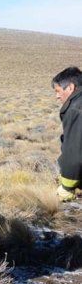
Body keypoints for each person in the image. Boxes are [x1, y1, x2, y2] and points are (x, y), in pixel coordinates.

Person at [52, 66, 82, 202]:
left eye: (58, 91)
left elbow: (75, 151)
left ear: (70, 88)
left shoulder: (76, 109)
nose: (56, 96)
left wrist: (67, 186)